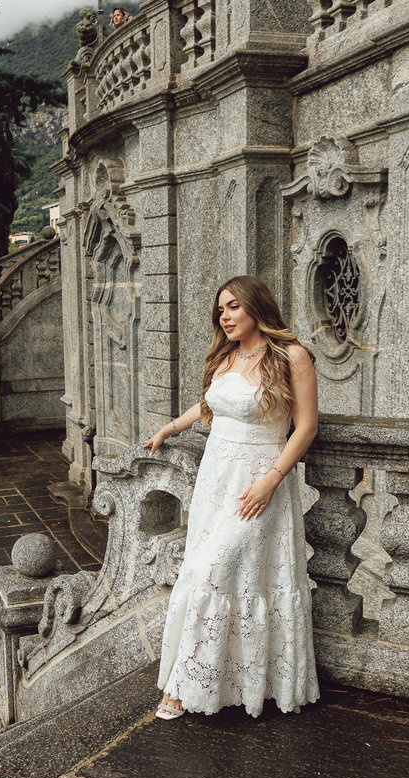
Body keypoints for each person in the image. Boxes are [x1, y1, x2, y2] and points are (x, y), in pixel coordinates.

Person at [144, 275, 320, 719]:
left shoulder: (291, 356)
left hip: (257, 482)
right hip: (215, 482)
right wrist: (170, 428)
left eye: (234, 306)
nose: (225, 316)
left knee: (214, 572)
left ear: (257, 306)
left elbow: (306, 427)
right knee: (212, 574)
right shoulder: (226, 356)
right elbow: (210, 405)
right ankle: (205, 681)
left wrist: (271, 480)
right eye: (220, 309)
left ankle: (186, 686)